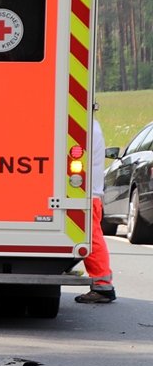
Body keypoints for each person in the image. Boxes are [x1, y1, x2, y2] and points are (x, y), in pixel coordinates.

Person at [76, 115, 116, 304]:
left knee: (92, 238)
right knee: (93, 237)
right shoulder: (92, 126)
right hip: (91, 193)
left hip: (87, 193)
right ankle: (102, 284)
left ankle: (103, 285)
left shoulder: (84, 127)